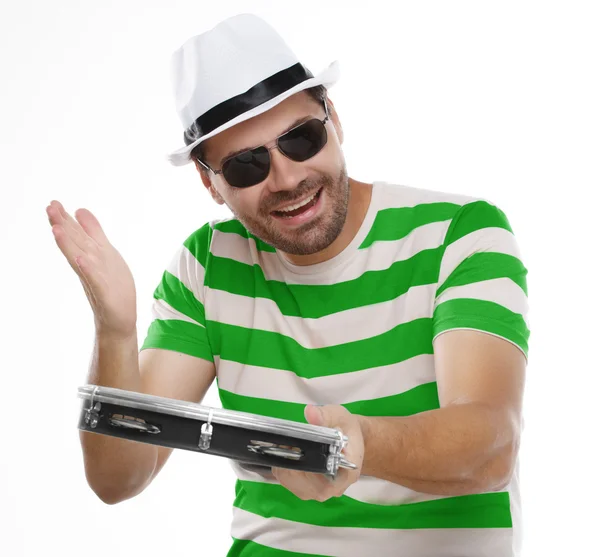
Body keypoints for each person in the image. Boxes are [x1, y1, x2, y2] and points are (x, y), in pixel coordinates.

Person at [47, 13, 529, 557]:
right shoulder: (207, 266)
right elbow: (118, 479)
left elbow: (491, 447)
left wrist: (359, 445)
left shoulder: (458, 235)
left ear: (335, 120)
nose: (286, 178)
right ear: (210, 183)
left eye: (301, 138)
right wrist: (115, 330)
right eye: (247, 165)